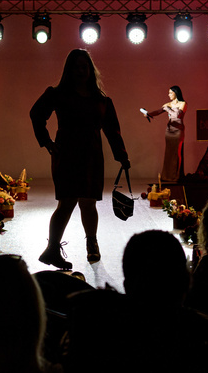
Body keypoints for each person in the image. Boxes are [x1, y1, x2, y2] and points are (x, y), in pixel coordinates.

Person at [30, 48, 130, 268]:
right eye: (76, 67)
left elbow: (112, 130)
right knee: (67, 203)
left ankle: (90, 244)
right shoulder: (58, 94)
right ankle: (53, 249)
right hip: (66, 154)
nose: (80, 70)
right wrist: (46, 142)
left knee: (88, 202)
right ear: (69, 69)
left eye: (84, 66)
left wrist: (122, 156)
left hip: (91, 155)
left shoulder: (101, 100)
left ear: (90, 70)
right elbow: (36, 114)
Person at [144, 85, 187, 182]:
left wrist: (167, 109)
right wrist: (147, 113)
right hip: (169, 130)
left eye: (171, 93)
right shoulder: (168, 104)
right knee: (168, 153)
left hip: (178, 130)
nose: (169, 95)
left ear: (176, 93)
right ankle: (167, 176)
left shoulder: (183, 103)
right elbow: (158, 112)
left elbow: (177, 115)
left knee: (176, 153)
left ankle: (175, 176)